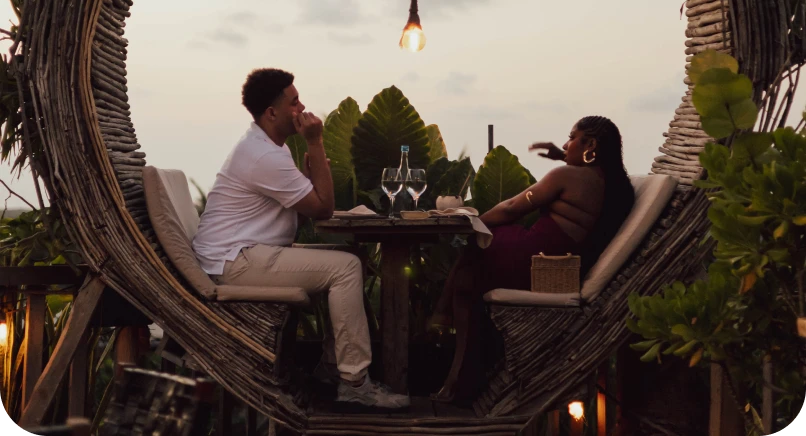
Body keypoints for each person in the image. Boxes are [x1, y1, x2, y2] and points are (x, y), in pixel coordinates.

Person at [192, 68, 409, 411]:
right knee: (346, 268)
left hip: (243, 255)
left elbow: (310, 206)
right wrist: (316, 142)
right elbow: (322, 209)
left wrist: (309, 177)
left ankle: (331, 368)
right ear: (272, 113)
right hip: (234, 261)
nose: (302, 107)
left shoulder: (266, 147)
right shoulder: (263, 155)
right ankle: (354, 383)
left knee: (351, 258)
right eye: (294, 102)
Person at [430, 115, 635, 403]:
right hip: (560, 262)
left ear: (590, 144)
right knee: (467, 281)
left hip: (537, 258)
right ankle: (457, 365)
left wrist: (470, 223)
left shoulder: (566, 176)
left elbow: (513, 206)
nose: (565, 144)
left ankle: (446, 341)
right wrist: (563, 154)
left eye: (571, 137)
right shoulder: (613, 184)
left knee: (477, 249)